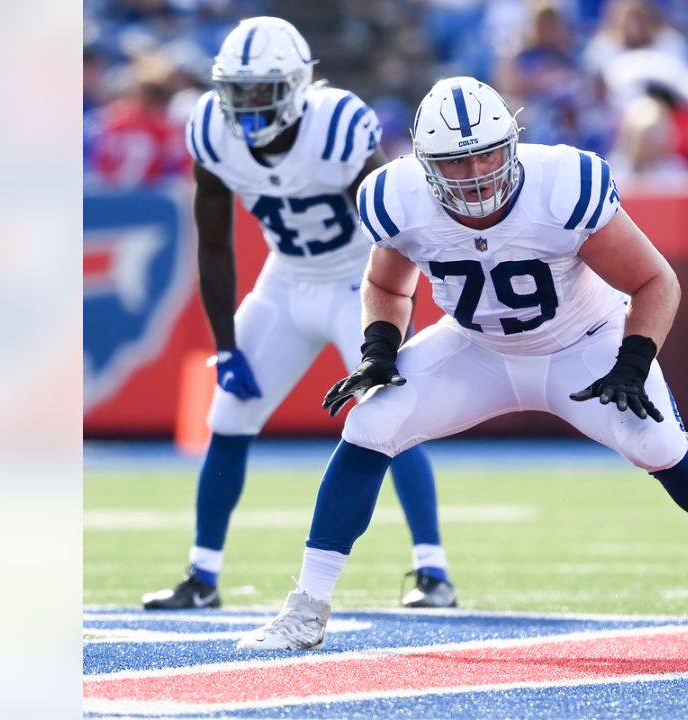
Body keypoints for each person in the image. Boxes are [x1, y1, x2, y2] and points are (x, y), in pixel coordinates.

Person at [237, 77, 688, 651]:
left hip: (585, 342)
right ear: (423, 165)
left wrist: (631, 361)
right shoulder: (398, 199)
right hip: (477, 348)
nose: (475, 174)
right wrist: (379, 351)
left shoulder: (562, 185)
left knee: (658, 443)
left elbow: (656, 281)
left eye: (487, 156)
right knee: (368, 425)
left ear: (513, 145)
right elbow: (388, 287)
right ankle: (308, 607)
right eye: (455, 162)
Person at [141, 17, 457, 612]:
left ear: (296, 85)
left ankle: (432, 572)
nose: (249, 105)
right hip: (286, 280)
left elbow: (389, 226)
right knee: (228, 412)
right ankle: (202, 576)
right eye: (239, 91)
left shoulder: (339, 126)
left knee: (391, 415)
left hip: (355, 281)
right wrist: (226, 344)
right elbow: (213, 243)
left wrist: (393, 313)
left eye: (263, 90)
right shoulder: (212, 130)